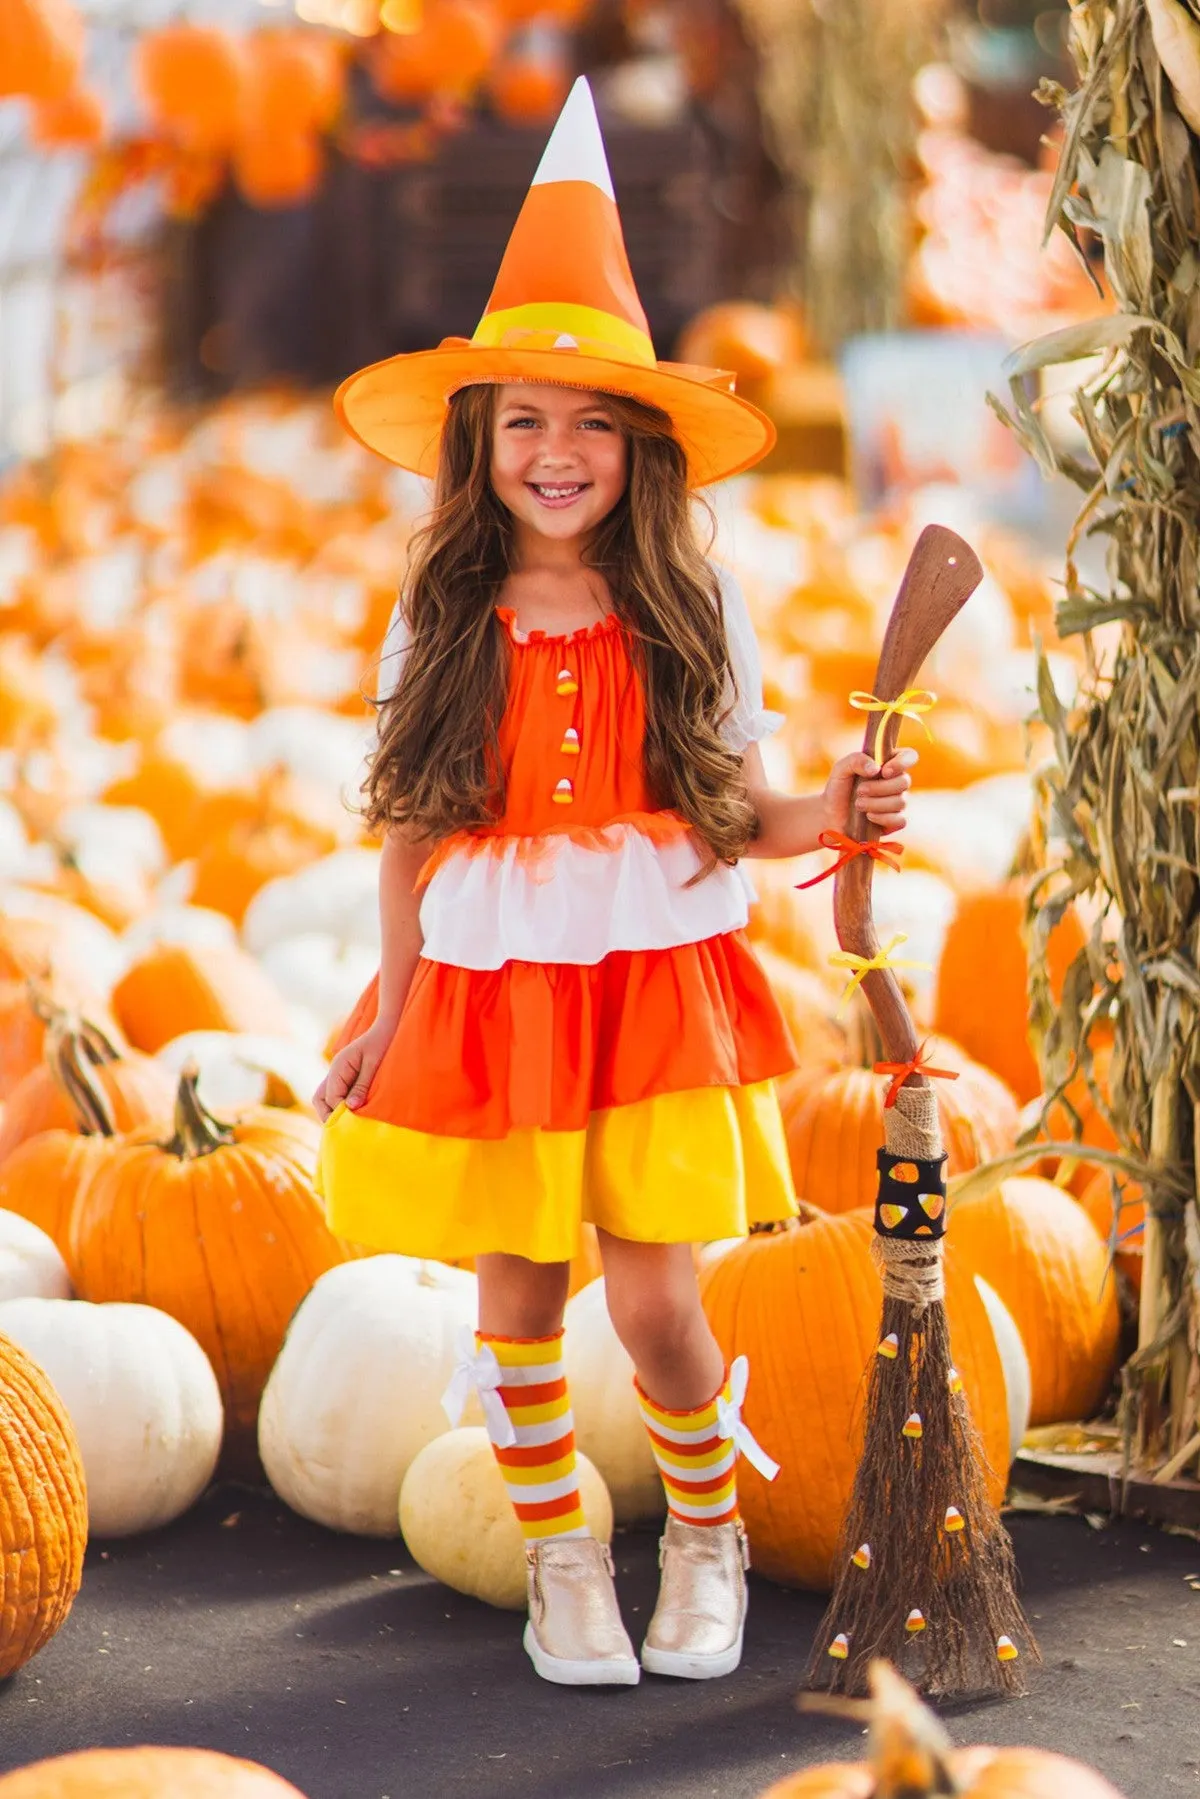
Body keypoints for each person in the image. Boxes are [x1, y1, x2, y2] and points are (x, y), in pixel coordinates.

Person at [312, 78, 915, 1689]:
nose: (557, 450)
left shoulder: (692, 612)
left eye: (590, 421)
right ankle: (562, 1558)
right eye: (525, 420)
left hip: (650, 992)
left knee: (657, 1303)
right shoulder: (440, 617)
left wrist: (836, 812)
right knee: (516, 1301)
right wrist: (390, 1006)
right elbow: (415, 831)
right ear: (481, 439)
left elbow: (730, 816)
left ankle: (705, 1533)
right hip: (500, 997)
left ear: (639, 443)